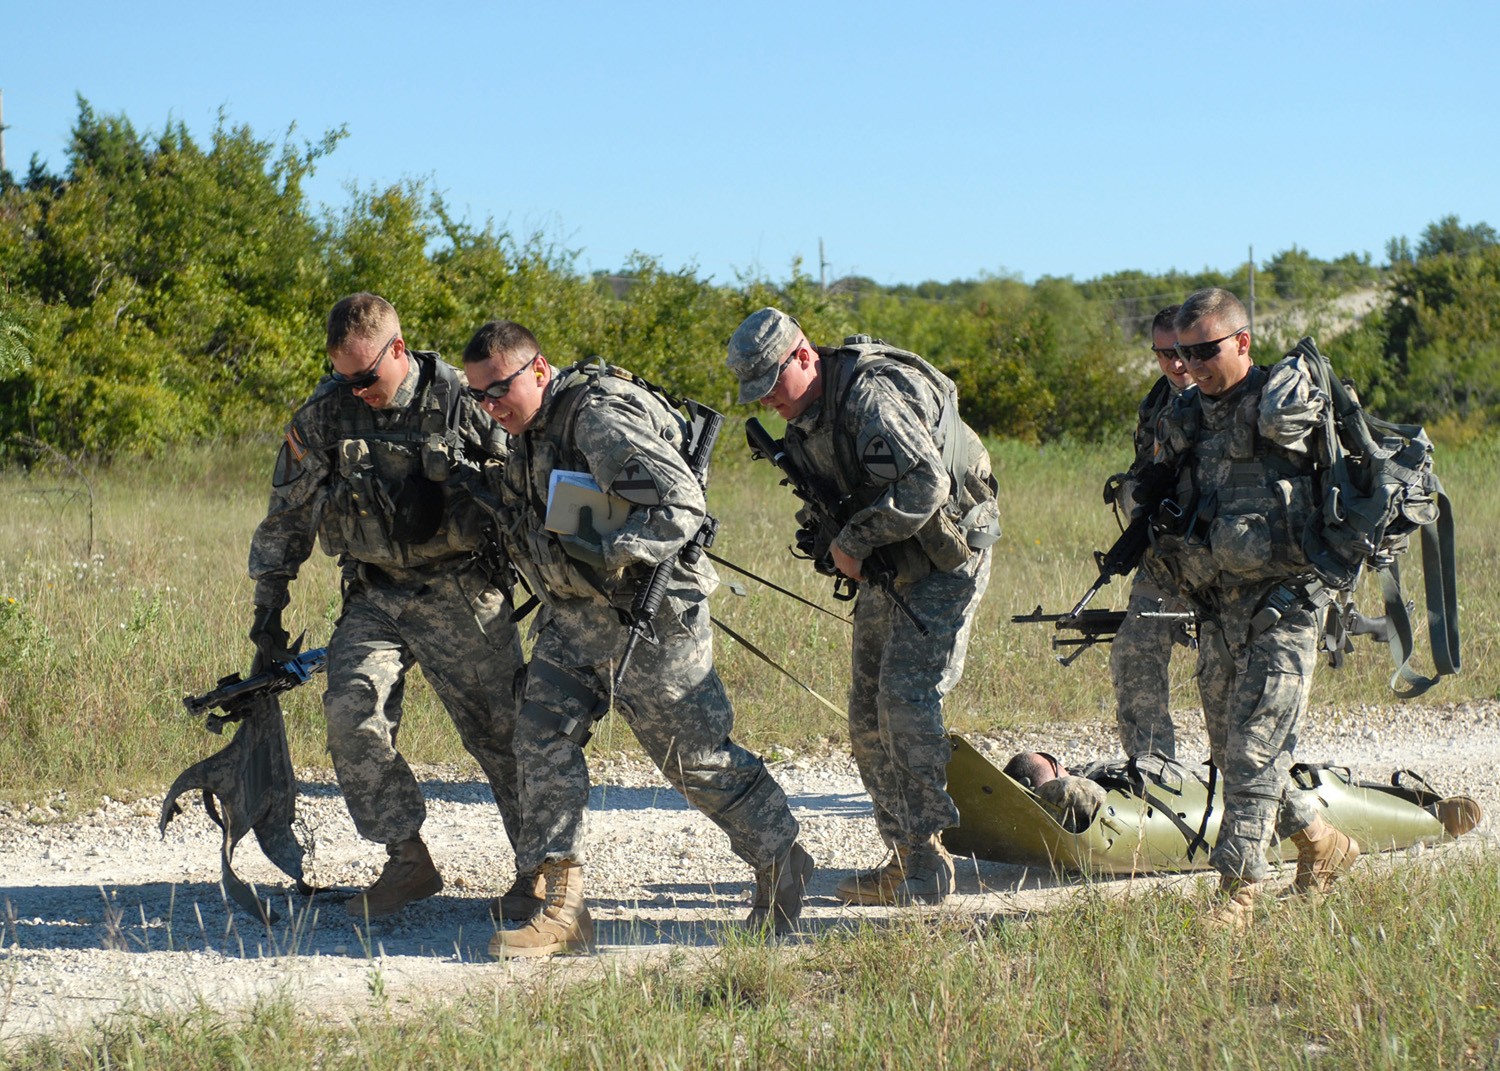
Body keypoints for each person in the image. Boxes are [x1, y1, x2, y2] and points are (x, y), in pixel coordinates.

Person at [462, 320, 811, 958]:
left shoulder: (595, 419)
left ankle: (781, 858)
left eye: (499, 389)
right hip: (572, 621)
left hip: (648, 620)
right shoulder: (529, 431)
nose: (491, 407)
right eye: (478, 396)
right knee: (538, 736)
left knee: (694, 760)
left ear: (538, 371)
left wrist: (611, 553)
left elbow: (680, 505)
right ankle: (564, 907)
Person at [247, 293, 529, 921]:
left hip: (461, 591)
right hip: (375, 591)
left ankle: (539, 871)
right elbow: (287, 517)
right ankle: (406, 859)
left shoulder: (465, 400)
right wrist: (269, 607)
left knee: (502, 734)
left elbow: (525, 488)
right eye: (344, 378)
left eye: (366, 378)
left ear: (398, 350)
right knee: (351, 711)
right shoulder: (325, 414)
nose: (356, 391)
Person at [726, 308, 999, 907]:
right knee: (866, 714)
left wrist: (852, 540)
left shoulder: (870, 396)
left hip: (947, 557)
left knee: (904, 700)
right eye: (759, 393)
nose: (770, 400)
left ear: (803, 356)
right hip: (893, 560)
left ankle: (930, 861)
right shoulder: (805, 416)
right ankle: (904, 856)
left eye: (774, 383)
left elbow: (928, 485)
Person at [1146, 287, 1359, 926]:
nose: (1193, 365)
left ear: (1242, 341)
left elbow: (1338, 492)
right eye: (1183, 352)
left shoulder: (1284, 408)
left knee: (1253, 752)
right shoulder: (1188, 415)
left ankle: (1238, 892)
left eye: (1207, 350)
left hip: (1285, 604)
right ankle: (1324, 845)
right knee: (1233, 745)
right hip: (1218, 607)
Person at [1104, 304, 1194, 760]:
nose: (1174, 364)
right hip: (1166, 555)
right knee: (1135, 651)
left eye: (1182, 351)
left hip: (1232, 560)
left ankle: (1250, 785)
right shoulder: (1157, 402)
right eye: (1162, 354)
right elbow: (1143, 468)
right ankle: (1155, 772)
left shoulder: (1240, 395)